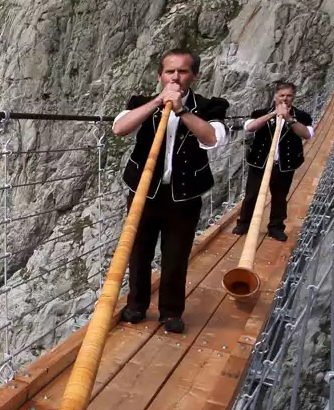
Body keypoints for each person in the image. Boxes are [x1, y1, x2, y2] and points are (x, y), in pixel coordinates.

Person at [111, 49, 230, 334]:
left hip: (184, 196)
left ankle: (171, 312)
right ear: (160, 76)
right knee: (138, 252)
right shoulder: (141, 103)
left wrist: (181, 110)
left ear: (194, 76)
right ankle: (136, 306)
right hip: (144, 192)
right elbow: (119, 129)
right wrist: (157, 101)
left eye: (183, 71)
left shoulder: (208, 106)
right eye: (170, 71)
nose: (176, 77)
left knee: (176, 255)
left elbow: (213, 138)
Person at [233, 80, 314, 241]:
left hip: (284, 164)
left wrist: (289, 118)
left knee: (279, 197)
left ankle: (276, 228)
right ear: (275, 96)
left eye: (289, 95)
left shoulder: (301, 116)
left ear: (293, 97)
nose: (285, 98)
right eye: (282, 95)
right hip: (260, 161)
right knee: (251, 194)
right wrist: (272, 114)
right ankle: (244, 223)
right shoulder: (260, 112)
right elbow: (250, 127)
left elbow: (307, 134)